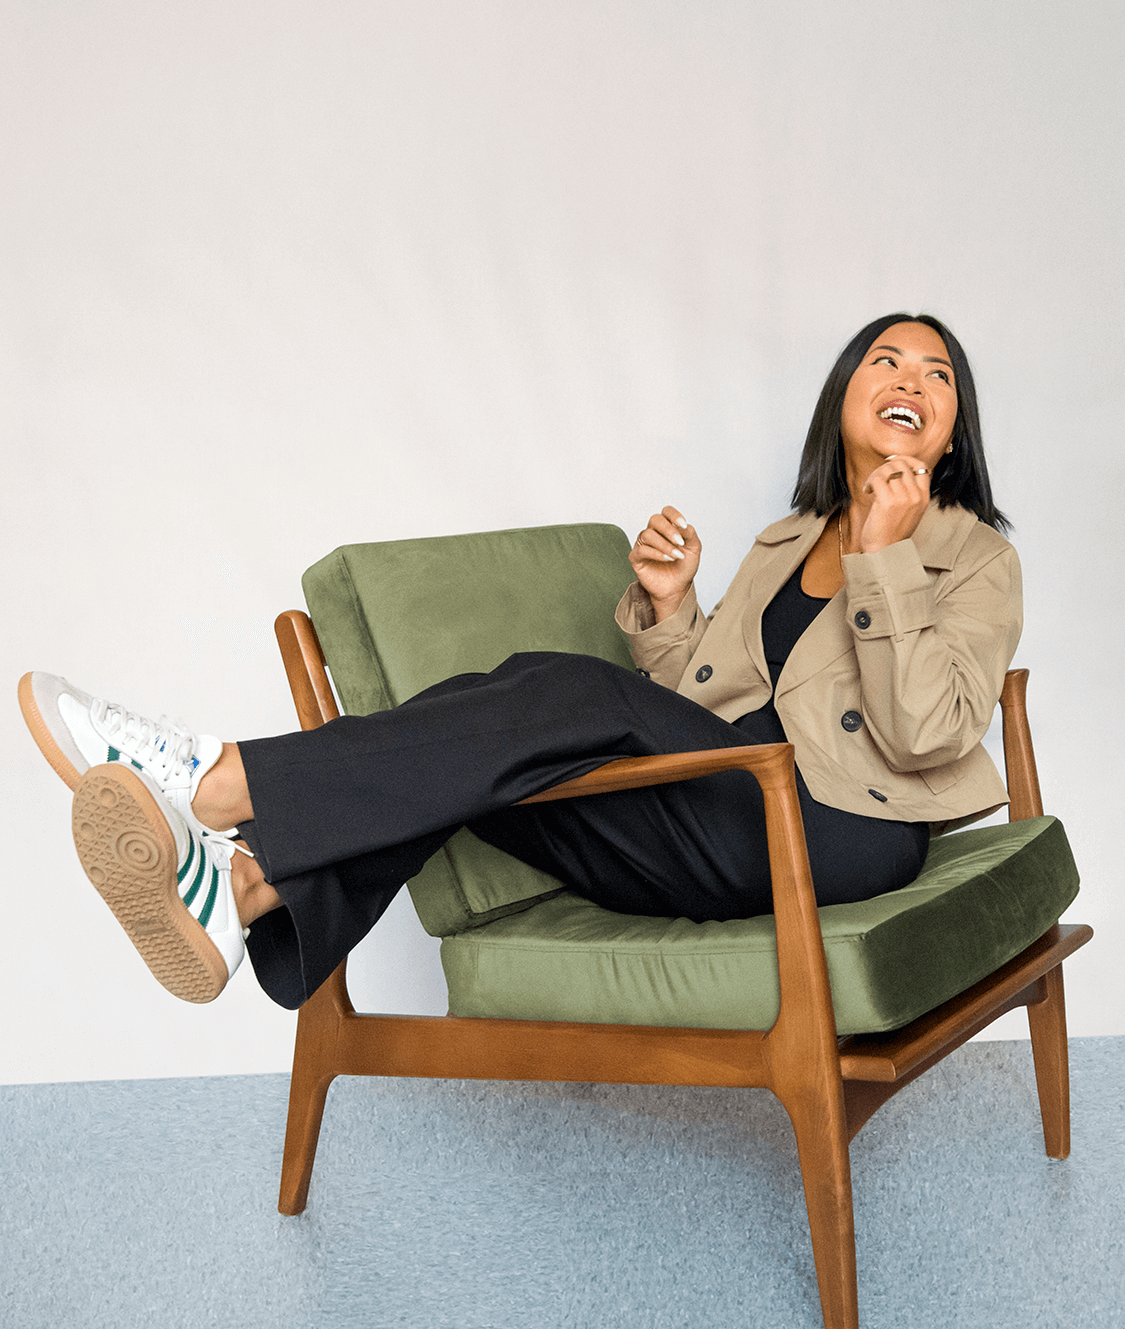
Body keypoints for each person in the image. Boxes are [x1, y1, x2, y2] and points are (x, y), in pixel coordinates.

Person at [19, 313, 1021, 1012]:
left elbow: (927, 732)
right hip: (727, 803)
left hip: (841, 829)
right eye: (885, 361)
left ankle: (215, 777)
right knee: (470, 734)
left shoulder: (975, 555)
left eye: (937, 375)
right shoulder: (783, 540)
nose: (911, 380)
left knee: (564, 685)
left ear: (952, 425)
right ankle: (244, 895)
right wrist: (670, 613)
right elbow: (700, 712)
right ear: (844, 398)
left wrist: (889, 552)